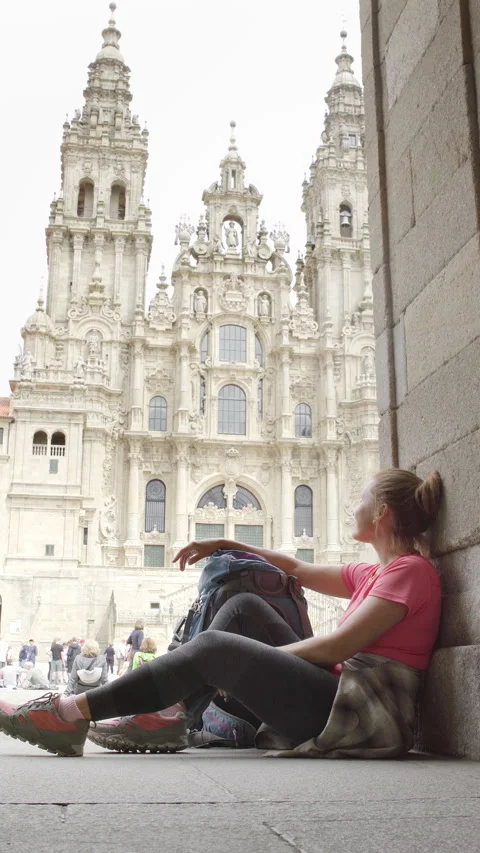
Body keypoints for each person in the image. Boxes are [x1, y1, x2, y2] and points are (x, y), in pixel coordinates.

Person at [0, 468, 443, 758]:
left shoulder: (411, 572)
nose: (354, 506)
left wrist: (242, 660)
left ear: (382, 512)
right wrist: (228, 544)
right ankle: (171, 711)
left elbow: (339, 645)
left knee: (215, 647)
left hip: (362, 713)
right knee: (245, 605)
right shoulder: (375, 572)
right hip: (338, 695)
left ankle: (68, 712)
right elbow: (297, 568)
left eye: (361, 499)